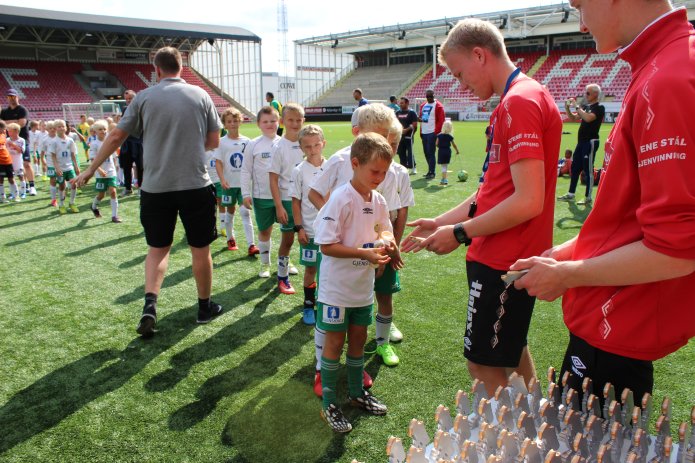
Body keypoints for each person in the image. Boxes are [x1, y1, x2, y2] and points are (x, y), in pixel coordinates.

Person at [511, 0, 695, 403]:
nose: (579, 22)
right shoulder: (658, 67)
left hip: (618, 330)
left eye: (579, 4)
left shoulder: (668, 78)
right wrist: (568, 252)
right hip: (611, 323)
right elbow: (627, 222)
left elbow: (677, 250)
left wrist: (567, 274)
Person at [402, 17, 562, 397]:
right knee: (511, 348)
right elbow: (492, 193)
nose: (461, 84)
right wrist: (440, 221)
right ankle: (539, 427)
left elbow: (527, 201)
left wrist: (458, 234)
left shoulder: (519, 102)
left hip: (504, 258)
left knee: (483, 363)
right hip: (504, 255)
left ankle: (519, 446)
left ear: (479, 54)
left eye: (459, 73)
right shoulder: (518, 98)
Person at [73, 46, 223, 336]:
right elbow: (214, 140)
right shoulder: (201, 95)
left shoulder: (143, 97)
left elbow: (116, 135)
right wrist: (188, 148)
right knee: (200, 248)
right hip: (195, 184)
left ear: (156, 69)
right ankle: (204, 308)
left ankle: (150, 305)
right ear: (182, 66)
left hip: (155, 187)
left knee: (158, 248)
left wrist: (91, 169)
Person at [308, 104, 404, 394]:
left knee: (358, 333)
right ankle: (321, 373)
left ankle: (355, 378)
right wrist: (336, 222)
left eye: (385, 136)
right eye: (375, 170)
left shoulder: (378, 196)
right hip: (339, 274)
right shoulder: (340, 172)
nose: (380, 176)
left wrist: (389, 243)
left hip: (363, 276)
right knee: (332, 333)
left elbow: (384, 224)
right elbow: (317, 197)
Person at [289, 124, 327, 325]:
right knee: (311, 269)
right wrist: (299, 228)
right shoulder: (298, 171)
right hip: (309, 231)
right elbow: (295, 201)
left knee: (328, 269)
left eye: (316, 145)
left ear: (323, 144)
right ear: (301, 148)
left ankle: (324, 301)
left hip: (329, 231)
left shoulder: (331, 167)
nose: (313, 150)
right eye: (308, 146)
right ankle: (308, 303)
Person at [240, 106, 282, 278]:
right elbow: (245, 170)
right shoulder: (253, 144)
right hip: (261, 196)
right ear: (258, 124)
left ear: (278, 122)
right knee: (265, 231)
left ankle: (284, 260)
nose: (270, 124)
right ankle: (265, 264)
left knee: (287, 231)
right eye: (265, 121)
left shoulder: (284, 142)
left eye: (273, 121)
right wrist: (245, 194)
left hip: (284, 196)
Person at [268, 103, 305, 294]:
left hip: (307, 201)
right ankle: (282, 277)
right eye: (290, 120)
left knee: (310, 239)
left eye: (299, 120)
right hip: (288, 201)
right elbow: (273, 179)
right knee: (288, 240)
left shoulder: (307, 142)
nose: (295, 123)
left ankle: (312, 280)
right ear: (283, 121)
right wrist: (279, 206)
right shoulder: (278, 147)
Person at [214, 107, 259, 255]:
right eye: (229, 122)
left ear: (240, 121)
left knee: (245, 212)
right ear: (225, 125)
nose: (232, 124)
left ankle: (251, 245)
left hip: (244, 184)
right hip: (228, 184)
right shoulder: (221, 142)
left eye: (235, 120)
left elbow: (251, 162)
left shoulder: (247, 141)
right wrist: (222, 180)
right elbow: (219, 162)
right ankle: (230, 238)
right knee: (230, 211)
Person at [557, 84, 605, 205]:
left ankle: (588, 197)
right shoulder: (585, 107)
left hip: (590, 142)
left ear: (595, 94)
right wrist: (567, 108)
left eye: (588, 93)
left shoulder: (599, 107)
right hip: (581, 142)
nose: (586, 95)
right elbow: (573, 118)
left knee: (587, 170)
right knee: (575, 167)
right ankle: (571, 194)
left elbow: (588, 118)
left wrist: (576, 106)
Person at [1, 88, 36, 196]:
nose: (11, 99)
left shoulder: (22, 110)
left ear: (17, 97)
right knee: (13, 166)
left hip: (22, 140)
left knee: (26, 164)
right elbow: (1, 125)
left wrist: (7, 123)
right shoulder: (5, 112)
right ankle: (22, 187)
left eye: (13, 96)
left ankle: (32, 187)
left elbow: (21, 123)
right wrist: (13, 122)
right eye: (9, 97)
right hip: (9, 141)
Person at [87, 120, 121, 223]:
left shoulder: (109, 141)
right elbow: (93, 159)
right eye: (100, 129)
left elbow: (114, 155)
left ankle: (114, 216)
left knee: (113, 191)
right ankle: (94, 206)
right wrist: (99, 169)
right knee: (101, 195)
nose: (103, 131)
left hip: (111, 171)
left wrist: (116, 165)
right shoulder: (94, 144)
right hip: (100, 173)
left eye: (104, 129)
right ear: (95, 131)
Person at [49, 120, 81, 214]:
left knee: (74, 184)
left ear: (66, 128)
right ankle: (62, 205)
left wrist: (76, 166)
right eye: (59, 127)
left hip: (69, 167)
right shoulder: (54, 141)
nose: (61, 128)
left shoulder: (70, 140)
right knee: (62, 186)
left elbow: (73, 154)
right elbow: (53, 156)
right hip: (60, 168)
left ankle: (72, 202)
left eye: (63, 126)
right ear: (55, 129)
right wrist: (57, 168)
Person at [119, 90, 144, 196]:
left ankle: (141, 188)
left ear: (135, 98)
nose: (128, 101)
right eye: (127, 99)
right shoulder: (125, 109)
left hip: (139, 142)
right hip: (127, 142)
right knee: (126, 166)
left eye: (130, 98)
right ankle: (128, 188)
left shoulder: (142, 109)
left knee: (140, 166)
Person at [418, 89, 445, 179]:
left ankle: (432, 172)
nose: (429, 98)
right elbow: (423, 119)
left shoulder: (438, 106)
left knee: (431, 152)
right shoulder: (423, 105)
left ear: (434, 96)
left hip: (432, 133)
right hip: (424, 132)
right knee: (426, 152)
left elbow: (441, 120)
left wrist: (436, 132)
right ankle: (429, 170)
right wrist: (421, 130)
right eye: (427, 96)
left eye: (431, 96)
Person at [395, 97, 418, 174]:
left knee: (410, 152)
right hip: (399, 136)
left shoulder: (412, 113)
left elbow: (414, 124)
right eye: (400, 103)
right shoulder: (397, 112)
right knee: (401, 152)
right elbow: (395, 123)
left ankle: (413, 167)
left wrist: (406, 130)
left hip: (409, 136)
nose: (400, 104)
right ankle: (404, 168)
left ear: (407, 103)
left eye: (402, 103)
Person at [6, 123, 26, 199]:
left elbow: (21, 150)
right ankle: (13, 193)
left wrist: (12, 144)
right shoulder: (7, 140)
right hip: (9, 163)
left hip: (18, 163)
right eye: (8, 131)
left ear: (16, 131)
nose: (8, 133)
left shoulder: (21, 140)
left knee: (21, 176)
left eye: (10, 131)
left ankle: (23, 192)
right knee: (10, 178)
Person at [436, 120, 460, 186]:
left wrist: (440, 146)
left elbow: (436, 143)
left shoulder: (439, 135)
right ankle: (444, 179)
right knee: (445, 166)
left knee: (443, 166)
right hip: (447, 151)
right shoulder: (450, 136)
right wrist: (457, 150)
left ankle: (444, 179)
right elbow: (454, 145)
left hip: (441, 151)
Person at [41, 121, 58, 207]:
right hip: (50, 163)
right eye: (50, 128)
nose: (52, 130)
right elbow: (42, 152)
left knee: (62, 181)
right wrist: (43, 160)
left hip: (61, 164)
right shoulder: (45, 139)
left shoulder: (60, 138)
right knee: (53, 180)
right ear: (47, 129)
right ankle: (53, 199)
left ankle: (62, 195)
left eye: (54, 128)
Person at [0, 120, 18, 203]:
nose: (5, 131)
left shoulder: (3, 136)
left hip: (8, 160)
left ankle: (16, 195)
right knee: (1, 179)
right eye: (4, 129)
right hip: (0, 162)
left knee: (11, 178)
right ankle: (2, 197)